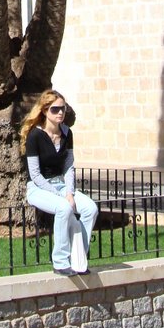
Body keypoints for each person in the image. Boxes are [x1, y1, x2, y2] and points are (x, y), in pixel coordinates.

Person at [20, 88, 99, 275]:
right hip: (39, 188)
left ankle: (78, 256)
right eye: (55, 109)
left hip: (62, 186)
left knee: (90, 209)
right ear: (45, 111)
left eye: (62, 109)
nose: (60, 113)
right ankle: (60, 261)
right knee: (64, 208)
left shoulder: (66, 133)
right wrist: (62, 196)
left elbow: (69, 167)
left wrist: (69, 192)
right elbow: (36, 175)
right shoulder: (35, 136)